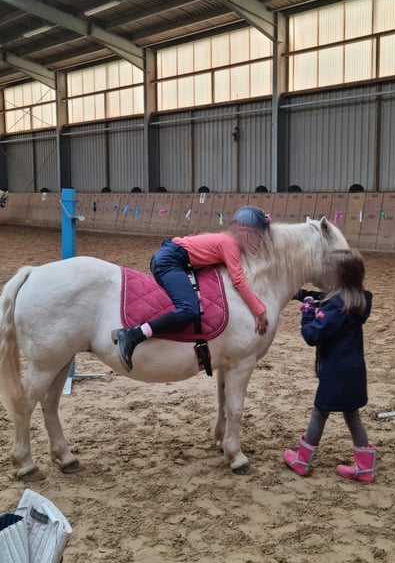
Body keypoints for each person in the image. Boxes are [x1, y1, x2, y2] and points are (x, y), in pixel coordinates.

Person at [113, 206, 270, 371]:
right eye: (257, 235)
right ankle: (133, 335)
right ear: (245, 232)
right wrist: (259, 311)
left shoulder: (225, 239)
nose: (257, 242)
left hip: (173, 257)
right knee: (189, 309)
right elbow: (238, 280)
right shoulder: (230, 244)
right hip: (170, 261)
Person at [283, 249, 377, 483]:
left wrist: (307, 314)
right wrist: (302, 295)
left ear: (336, 277)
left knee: (320, 412)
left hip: (335, 374)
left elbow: (312, 335)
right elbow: (325, 297)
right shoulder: (358, 299)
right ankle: (365, 468)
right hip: (354, 372)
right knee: (353, 416)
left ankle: (302, 461)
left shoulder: (335, 306)